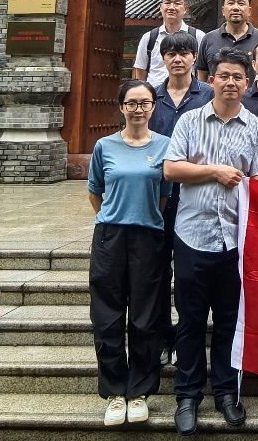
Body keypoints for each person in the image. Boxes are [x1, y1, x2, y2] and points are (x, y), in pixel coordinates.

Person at [164, 49, 258, 434]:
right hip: (192, 236)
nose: (230, 83)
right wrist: (214, 172)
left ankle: (226, 393)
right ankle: (187, 395)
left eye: (237, 77)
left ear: (247, 83)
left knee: (228, 320)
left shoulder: (256, 127)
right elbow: (171, 168)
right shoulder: (190, 121)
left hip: (235, 242)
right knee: (191, 320)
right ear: (211, 81)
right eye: (223, 76)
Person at [87, 80, 172, 427]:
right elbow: (95, 191)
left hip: (148, 237)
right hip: (110, 237)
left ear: (153, 107)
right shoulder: (104, 146)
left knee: (145, 316)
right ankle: (114, 393)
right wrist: (114, 218)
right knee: (107, 316)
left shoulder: (165, 145)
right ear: (121, 107)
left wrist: (144, 217)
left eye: (145, 103)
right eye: (132, 103)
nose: (138, 109)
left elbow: (164, 195)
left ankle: (139, 392)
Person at [147, 31, 215, 367]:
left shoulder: (208, 95)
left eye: (184, 53)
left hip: (197, 197)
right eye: (171, 53)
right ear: (163, 58)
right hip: (157, 198)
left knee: (190, 275)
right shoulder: (151, 97)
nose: (177, 59)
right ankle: (163, 337)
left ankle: (188, 336)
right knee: (158, 272)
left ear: (194, 57)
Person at [133, 0, 206, 88]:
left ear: (185, 9)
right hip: (155, 93)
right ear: (161, 7)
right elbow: (141, 68)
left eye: (177, 3)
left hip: (188, 92)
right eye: (167, 3)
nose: (171, 7)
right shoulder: (149, 38)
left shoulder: (198, 36)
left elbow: (203, 69)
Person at [195, 0, 258, 83]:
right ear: (223, 10)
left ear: (249, 11)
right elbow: (202, 76)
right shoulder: (209, 38)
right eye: (231, 3)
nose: (235, 8)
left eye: (241, 3)